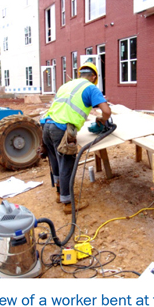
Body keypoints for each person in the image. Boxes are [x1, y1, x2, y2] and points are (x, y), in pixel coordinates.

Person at [41, 62, 111, 214]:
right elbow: (106, 111)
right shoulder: (91, 88)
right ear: (93, 77)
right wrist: (102, 120)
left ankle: (60, 194)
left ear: (80, 74)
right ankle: (68, 203)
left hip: (46, 126)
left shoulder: (65, 86)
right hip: (61, 130)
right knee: (67, 164)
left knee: (56, 163)